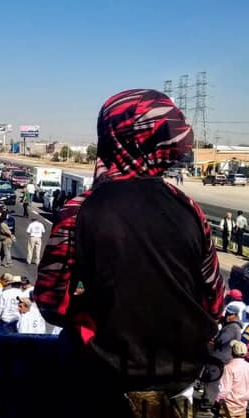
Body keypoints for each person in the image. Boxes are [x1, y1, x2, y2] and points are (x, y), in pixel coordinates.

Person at [35, 89, 225, 395]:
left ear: (113, 136)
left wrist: (93, 309)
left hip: (103, 371)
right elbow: (215, 302)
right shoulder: (191, 210)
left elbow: (50, 302)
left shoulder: (79, 210)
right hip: (181, 376)